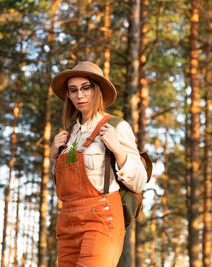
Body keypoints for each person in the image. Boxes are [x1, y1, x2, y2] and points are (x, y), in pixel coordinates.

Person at [50, 61, 147, 266]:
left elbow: (139, 182)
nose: (80, 95)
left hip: (101, 220)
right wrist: (53, 157)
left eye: (86, 88)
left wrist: (118, 150)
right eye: (73, 90)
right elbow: (65, 186)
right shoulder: (69, 135)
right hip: (67, 223)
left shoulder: (116, 126)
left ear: (98, 90)